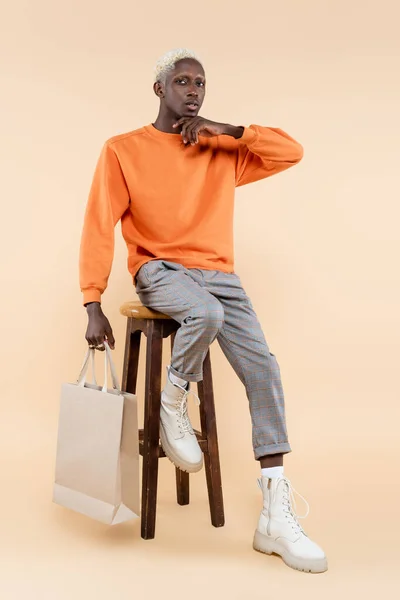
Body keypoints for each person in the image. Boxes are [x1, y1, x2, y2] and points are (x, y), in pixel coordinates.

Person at [79, 48, 327, 573]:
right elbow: (99, 223)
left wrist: (231, 130)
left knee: (264, 368)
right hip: (159, 271)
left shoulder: (220, 148)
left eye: (201, 83)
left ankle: (274, 515)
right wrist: (92, 300)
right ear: (159, 89)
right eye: (183, 81)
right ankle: (173, 402)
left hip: (219, 274)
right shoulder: (123, 149)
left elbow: (293, 151)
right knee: (205, 316)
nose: (193, 90)